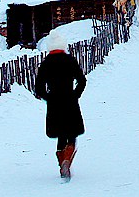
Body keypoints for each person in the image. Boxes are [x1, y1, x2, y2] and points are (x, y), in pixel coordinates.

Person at [34, 31, 87, 181]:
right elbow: (82, 80)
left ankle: (62, 162)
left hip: (54, 102)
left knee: (60, 133)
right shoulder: (70, 61)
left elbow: (38, 87)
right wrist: (75, 94)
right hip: (69, 99)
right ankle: (67, 161)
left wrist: (48, 97)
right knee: (72, 133)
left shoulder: (46, 63)